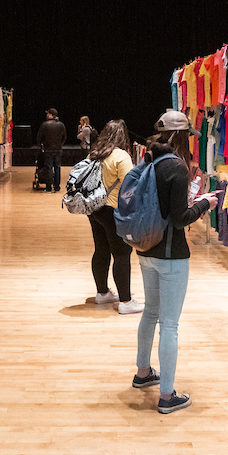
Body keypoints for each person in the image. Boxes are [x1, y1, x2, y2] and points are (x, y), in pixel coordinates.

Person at [132, 110, 217, 415]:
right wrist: (206, 203)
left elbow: (166, 208)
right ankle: (167, 396)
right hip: (170, 254)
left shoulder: (148, 161)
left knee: (150, 313)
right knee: (169, 324)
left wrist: (190, 204)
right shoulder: (178, 168)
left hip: (146, 249)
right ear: (181, 136)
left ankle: (143, 372)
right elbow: (180, 219)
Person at [86, 120, 140, 314]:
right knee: (122, 253)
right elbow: (130, 185)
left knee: (101, 250)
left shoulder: (94, 153)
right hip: (114, 210)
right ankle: (125, 301)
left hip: (94, 208)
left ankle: (102, 293)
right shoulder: (121, 156)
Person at [36, 108, 67, 192]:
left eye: (48, 114)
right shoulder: (61, 125)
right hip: (58, 149)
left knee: (48, 167)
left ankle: (48, 187)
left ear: (51, 115)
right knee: (57, 167)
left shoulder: (44, 124)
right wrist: (60, 144)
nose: (46, 115)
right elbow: (64, 137)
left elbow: (39, 137)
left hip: (48, 149)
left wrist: (41, 146)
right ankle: (57, 187)